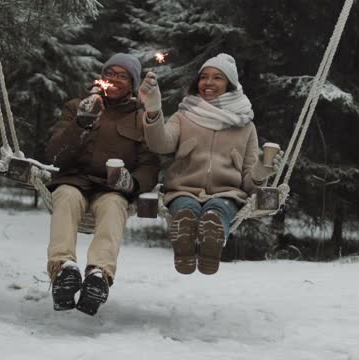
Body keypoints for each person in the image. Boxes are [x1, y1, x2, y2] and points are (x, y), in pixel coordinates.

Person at [138, 53, 282, 275]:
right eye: (204, 77)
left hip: (226, 193)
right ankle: (183, 246)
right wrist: (154, 111)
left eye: (217, 78)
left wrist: (262, 168)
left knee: (216, 213)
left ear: (230, 84)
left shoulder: (245, 126)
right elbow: (160, 144)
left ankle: (211, 248)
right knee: (186, 210)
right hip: (182, 190)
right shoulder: (184, 115)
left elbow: (248, 182)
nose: (208, 83)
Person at [43, 53, 159, 315]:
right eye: (110, 73)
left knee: (114, 206)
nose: (114, 79)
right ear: (102, 77)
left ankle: (99, 275)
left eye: (122, 76)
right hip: (75, 180)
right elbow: (54, 155)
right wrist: (81, 123)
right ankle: (63, 269)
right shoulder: (77, 106)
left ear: (132, 83)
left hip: (112, 188)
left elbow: (150, 164)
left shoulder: (141, 119)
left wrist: (133, 183)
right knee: (66, 198)